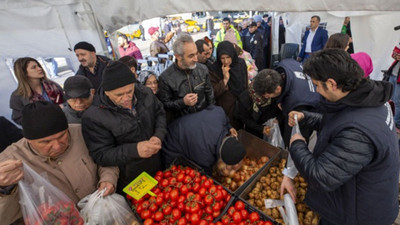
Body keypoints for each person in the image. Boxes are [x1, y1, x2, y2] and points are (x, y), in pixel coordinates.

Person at [282, 49, 399, 225]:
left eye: (317, 85)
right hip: (353, 195)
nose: (317, 90)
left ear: (332, 83)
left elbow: (320, 177)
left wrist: (297, 144)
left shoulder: (359, 132)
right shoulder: (365, 98)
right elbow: (339, 124)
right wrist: (306, 118)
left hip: (359, 215)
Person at [0, 101, 118, 225]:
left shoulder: (83, 132)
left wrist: (108, 178)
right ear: (28, 140)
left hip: (105, 214)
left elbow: (107, 157)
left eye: (62, 136)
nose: (57, 146)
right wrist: (3, 189)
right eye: (45, 142)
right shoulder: (9, 161)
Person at [81, 61, 167, 194]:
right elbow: (101, 155)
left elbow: (160, 114)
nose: (126, 98)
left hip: (157, 163)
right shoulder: (93, 117)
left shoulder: (145, 93)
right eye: (119, 95)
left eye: (129, 91)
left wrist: (158, 135)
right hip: (130, 176)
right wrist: (135, 150)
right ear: (106, 92)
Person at [253, 59, 321, 146]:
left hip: (312, 106)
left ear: (277, 89)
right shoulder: (283, 66)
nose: (266, 98)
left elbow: (295, 130)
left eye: (267, 95)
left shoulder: (295, 103)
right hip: (304, 89)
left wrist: (288, 145)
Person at [162, 105, 246, 175]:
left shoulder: (219, 114)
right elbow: (205, 172)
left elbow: (214, 110)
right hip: (171, 141)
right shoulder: (204, 155)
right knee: (173, 172)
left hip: (187, 126)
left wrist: (229, 127)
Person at [158, 33, 215, 121]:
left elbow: (210, 97)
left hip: (205, 120)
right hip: (183, 126)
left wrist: (212, 116)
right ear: (178, 56)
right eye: (191, 56)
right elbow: (165, 106)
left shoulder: (203, 69)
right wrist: (183, 102)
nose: (196, 59)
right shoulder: (165, 78)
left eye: (196, 54)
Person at [9, 57, 64, 125]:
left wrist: (63, 107)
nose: (40, 68)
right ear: (24, 73)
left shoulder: (53, 86)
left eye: (39, 66)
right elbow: (18, 118)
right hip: (44, 130)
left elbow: (68, 102)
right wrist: (37, 120)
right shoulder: (17, 96)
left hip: (63, 122)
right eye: (34, 67)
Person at [210, 41, 248, 129]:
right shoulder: (214, 69)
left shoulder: (240, 64)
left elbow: (245, 82)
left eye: (228, 57)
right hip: (226, 108)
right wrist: (225, 79)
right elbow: (213, 92)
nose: (226, 61)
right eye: (222, 58)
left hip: (241, 104)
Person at [235, 71, 283, 138]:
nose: (267, 97)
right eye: (265, 95)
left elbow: (280, 110)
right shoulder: (245, 100)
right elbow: (244, 118)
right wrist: (260, 128)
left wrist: (278, 120)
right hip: (254, 130)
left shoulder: (274, 90)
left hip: (274, 125)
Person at [387, 43, 400, 131]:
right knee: (390, 98)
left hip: (398, 78)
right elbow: (394, 54)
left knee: (397, 101)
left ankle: (396, 123)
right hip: (393, 74)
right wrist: (396, 55)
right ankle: (391, 120)